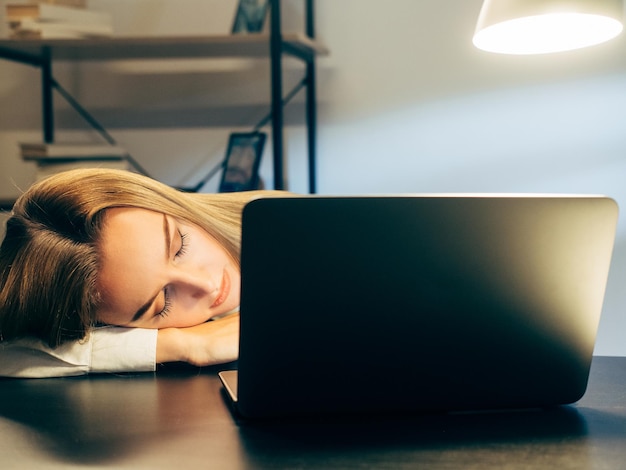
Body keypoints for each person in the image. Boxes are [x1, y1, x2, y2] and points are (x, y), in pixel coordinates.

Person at [0, 168, 279, 378]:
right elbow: (11, 354)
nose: (207, 285)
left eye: (181, 247)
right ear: (115, 327)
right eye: (162, 303)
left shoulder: (294, 218)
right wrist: (181, 344)